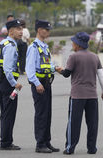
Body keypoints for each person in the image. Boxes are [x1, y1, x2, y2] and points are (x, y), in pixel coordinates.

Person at [55, 32, 103, 155]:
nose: (72, 44)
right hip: (92, 96)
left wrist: (59, 70)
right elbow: (101, 76)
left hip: (77, 96)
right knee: (92, 123)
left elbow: (67, 74)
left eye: (73, 42)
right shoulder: (95, 57)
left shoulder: (74, 57)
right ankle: (92, 148)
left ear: (78, 44)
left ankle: (70, 148)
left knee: (74, 122)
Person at [25, 20, 59, 153]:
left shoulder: (44, 46)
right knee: (41, 114)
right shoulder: (33, 47)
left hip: (46, 83)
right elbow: (29, 69)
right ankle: (40, 144)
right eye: (46, 29)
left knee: (47, 113)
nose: (48, 32)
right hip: (39, 84)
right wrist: (37, 83)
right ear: (39, 30)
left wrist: (55, 68)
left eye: (49, 30)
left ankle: (47, 141)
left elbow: (46, 65)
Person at [0, 19, 23, 150]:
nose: (21, 31)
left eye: (22, 29)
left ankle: (5, 140)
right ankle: (6, 142)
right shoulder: (11, 46)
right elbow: (7, 68)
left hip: (0, 82)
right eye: (18, 29)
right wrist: (14, 83)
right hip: (8, 84)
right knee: (9, 113)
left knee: (4, 112)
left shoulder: (2, 43)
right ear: (11, 31)